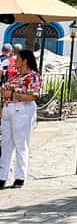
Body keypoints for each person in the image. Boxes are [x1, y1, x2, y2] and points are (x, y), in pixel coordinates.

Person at [0, 49, 42, 189]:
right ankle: (2, 175)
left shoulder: (33, 76)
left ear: (25, 61)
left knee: (20, 143)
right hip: (8, 110)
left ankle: (19, 176)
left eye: (17, 59)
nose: (15, 61)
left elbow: (32, 96)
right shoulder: (15, 76)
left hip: (22, 110)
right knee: (6, 144)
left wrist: (11, 94)